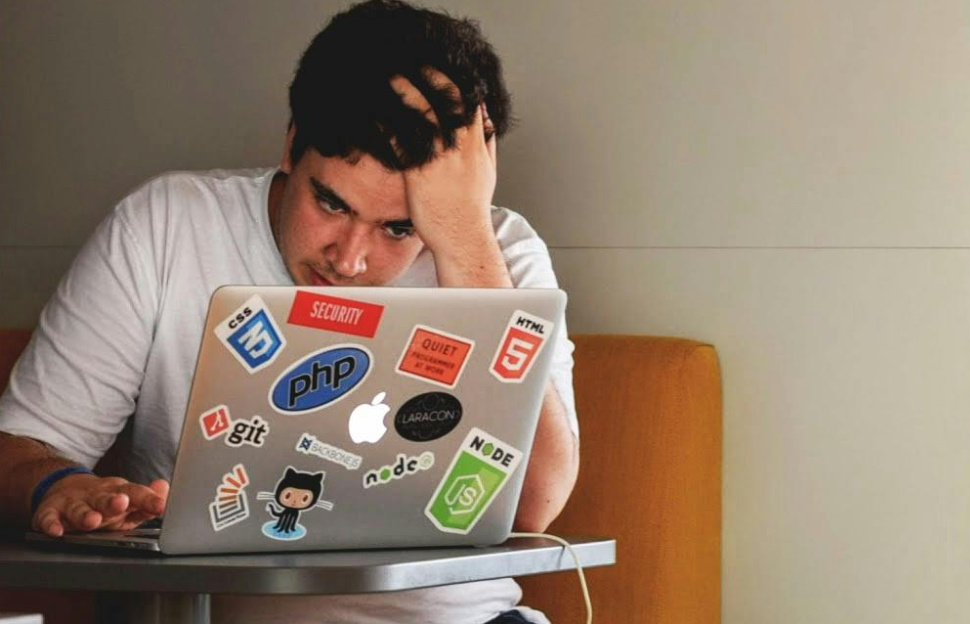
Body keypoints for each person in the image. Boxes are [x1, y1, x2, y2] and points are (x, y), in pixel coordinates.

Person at [0, 2, 579, 623]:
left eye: (399, 228)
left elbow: (534, 505)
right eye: (330, 203)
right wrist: (58, 487)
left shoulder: (499, 253)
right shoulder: (165, 227)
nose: (350, 259)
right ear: (291, 144)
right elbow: (19, 448)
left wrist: (463, 238)